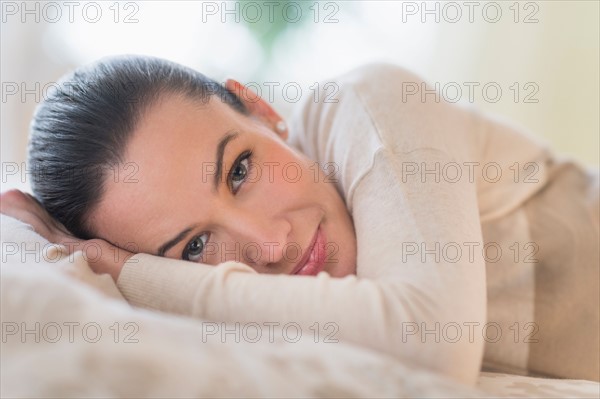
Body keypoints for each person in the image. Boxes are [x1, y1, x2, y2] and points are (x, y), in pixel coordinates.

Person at [1, 55, 598, 384]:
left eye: (239, 171)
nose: (268, 246)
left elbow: (428, 345)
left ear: (261, 109)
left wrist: (133, 271)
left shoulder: (366, 102)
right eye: (194, 248)